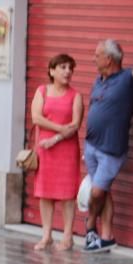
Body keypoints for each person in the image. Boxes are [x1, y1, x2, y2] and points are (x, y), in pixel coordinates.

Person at [82, 38, 133, 253]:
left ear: (109, 59)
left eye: (97, 55)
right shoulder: (99, 81)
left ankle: (89, 225)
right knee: (103, 191)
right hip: (92, 145)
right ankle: (107, 236)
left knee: (97, 193)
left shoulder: (127, 79)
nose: (94, 59)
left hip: (111, 149)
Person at [29, 53, 83, 251]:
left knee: (67, 195)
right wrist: (60, 128)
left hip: (66, 150)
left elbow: (75, 124)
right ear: (52, 71)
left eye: (70, 68)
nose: (67, 71)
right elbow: (36, 117)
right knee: (46, 193)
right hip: (45, 150)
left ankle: (67, 237)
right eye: (63, 67)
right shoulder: (42, 91)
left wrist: (57, 137)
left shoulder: (75, 96)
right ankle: (46, 235)